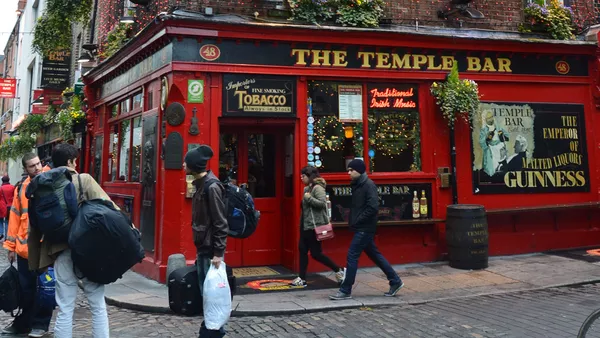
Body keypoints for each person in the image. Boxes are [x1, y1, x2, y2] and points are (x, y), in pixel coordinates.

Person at [28, 143, 114, 338]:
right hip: (88, 251)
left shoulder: (42, 187)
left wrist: (36, 263)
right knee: (98, 305)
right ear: (70, 162)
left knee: (65, 308)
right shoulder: (84, 180)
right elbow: (110, 210)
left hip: (60, 251)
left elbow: (33, 230)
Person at [330, 159, 404, 301]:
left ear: (360, 170)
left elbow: (373, 207)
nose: (349, 173)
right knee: (375, 255)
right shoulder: (357, 185)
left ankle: (346, 290)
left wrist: (358, 220)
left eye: (352, 170)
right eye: (348, 170)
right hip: (362, 227)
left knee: (352, 255)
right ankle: (395, 281)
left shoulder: (368, 185)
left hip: (365, 227)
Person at [2, 153, 53, 337]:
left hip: (46, 251)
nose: (37, 168)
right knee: (26, 290)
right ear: (25, 169)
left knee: (46, 290)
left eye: (38, 163)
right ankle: (25, 323)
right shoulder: (21, 189)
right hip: (25, 251)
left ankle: (40, 324)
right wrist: (11, 247)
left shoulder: (51, 181)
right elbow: (14, 218)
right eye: (32, 166)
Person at [183, 145, 228, 338]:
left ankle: (213, 332)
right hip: (203, 246)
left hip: (210, 251)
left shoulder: (212, 187)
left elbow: (220, 222)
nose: (183, 164)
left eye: (187, 161)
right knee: (206, 294)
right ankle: (212, 330)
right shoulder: (201, 184)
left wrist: (218, 253)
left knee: (210, 295)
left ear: (193, 165)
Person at [291, 166, 345, 287]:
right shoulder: (307, 189)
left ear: (310, 176)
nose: (301, 177)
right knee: (302, 250)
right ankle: (302, 278)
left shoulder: (318, 188)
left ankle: (339, 270)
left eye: (303, 175)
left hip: (314, 226)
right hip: (306, 225)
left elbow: (322, 204)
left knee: (316, 254)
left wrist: (309, 198)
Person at [0, 176, 15, 241]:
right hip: (10, 206)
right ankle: (6, 236)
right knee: (7, 221)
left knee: (0, 221)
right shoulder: (12, 187)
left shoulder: (1, 188)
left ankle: (1, 233)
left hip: (2, 206)